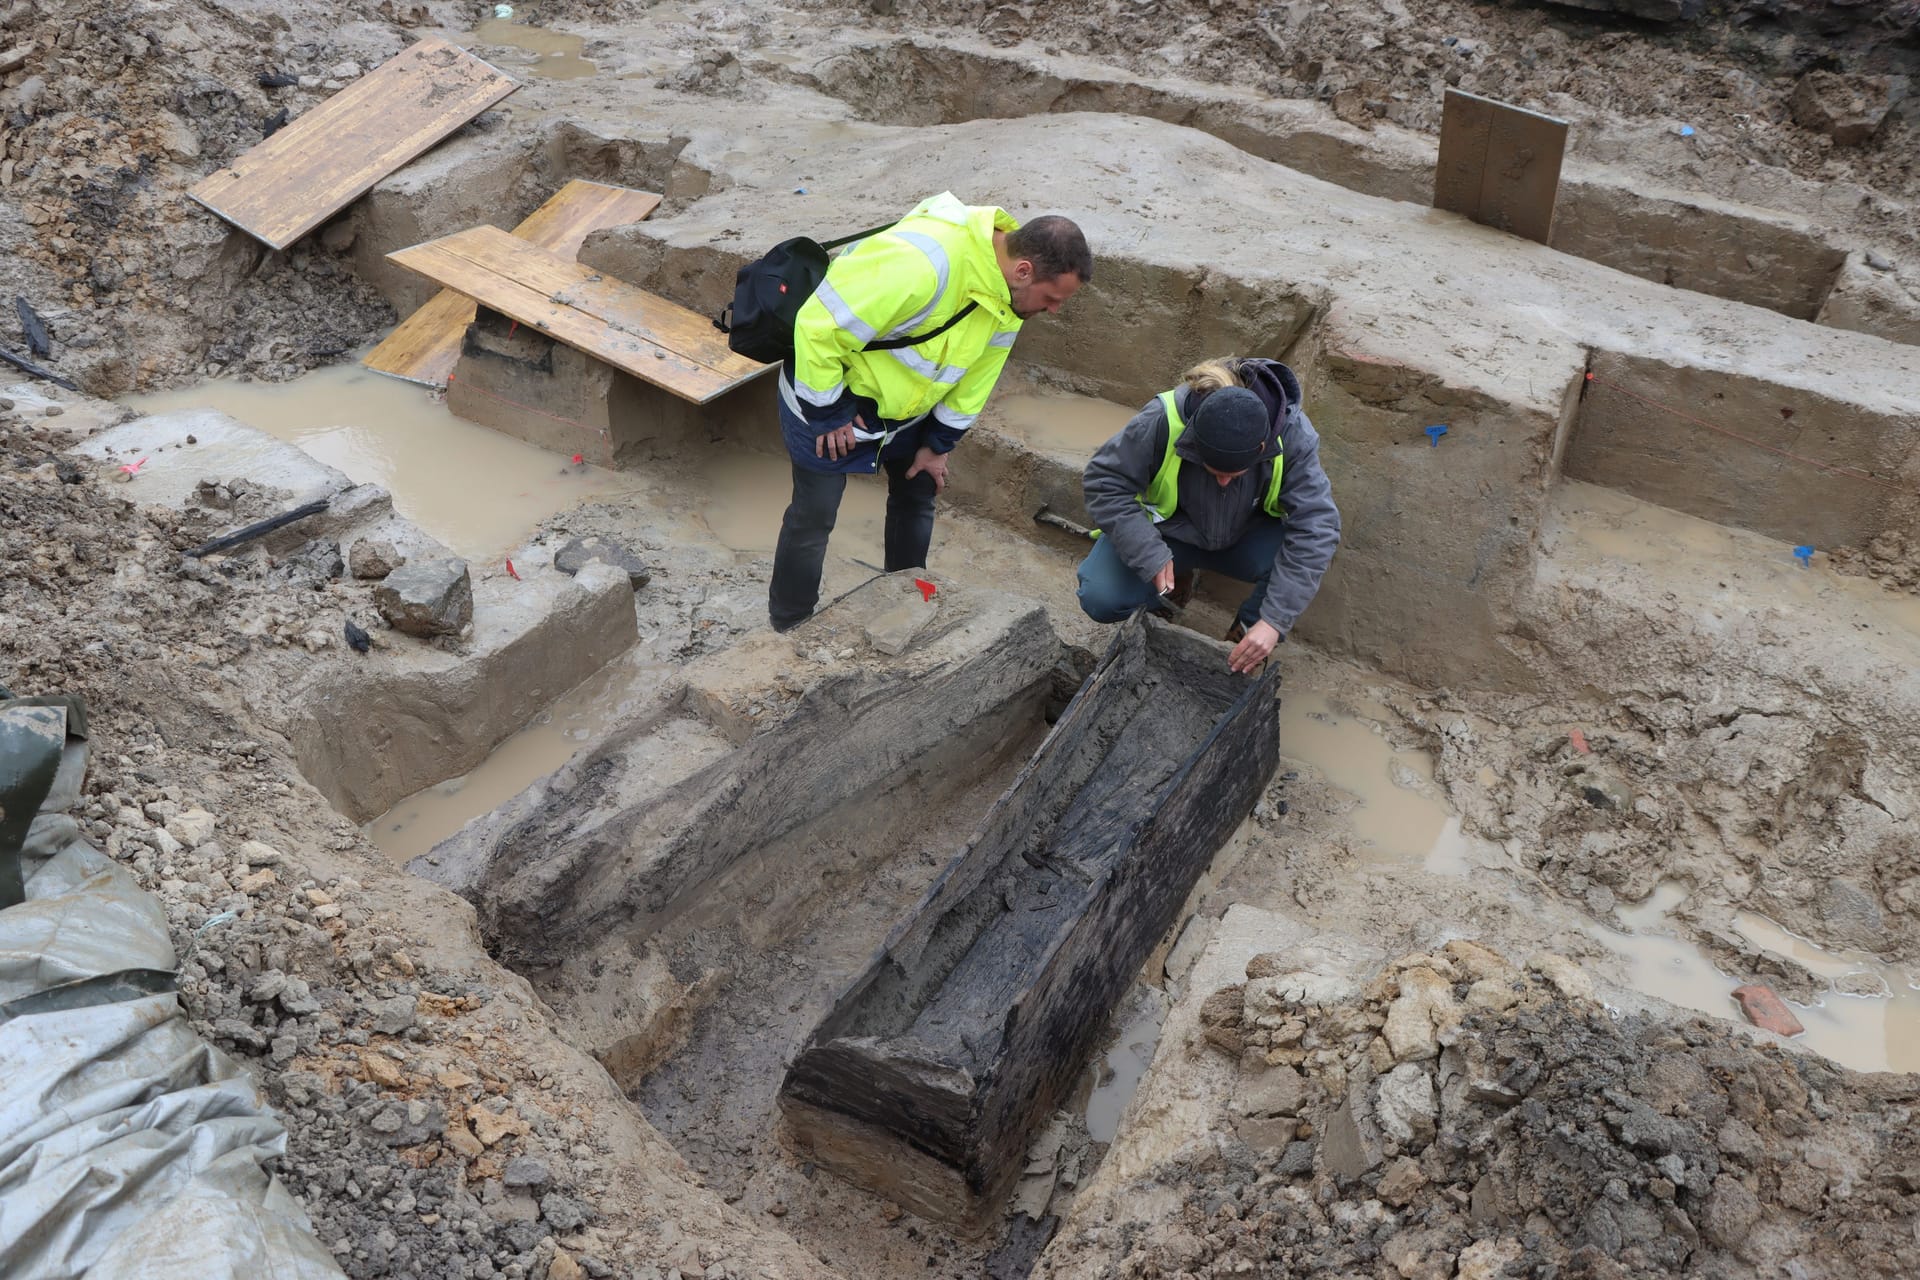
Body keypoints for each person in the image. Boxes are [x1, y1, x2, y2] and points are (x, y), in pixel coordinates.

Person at [769, 192, 1092, 632]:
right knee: (814, 516)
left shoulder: (1009, 299)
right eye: (1053, 298)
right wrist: (828, 412)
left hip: (909, 410)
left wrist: (938, 444)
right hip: (831, 398)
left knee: (918, 492)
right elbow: (818, 328)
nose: (1053, 310)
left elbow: (979, 373)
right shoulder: (922, 263)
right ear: (1024, 271)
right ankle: (790, 626)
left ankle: (905, 601)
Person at [1076, 356, 1341, 674]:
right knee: (1101, 597)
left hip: (1246, 537)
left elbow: (1318, 527)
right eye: (1212, 471)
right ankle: (1175, 583)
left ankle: (1243, 639)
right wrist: (1149, 554)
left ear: (1261, 447)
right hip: (1171, 533)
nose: (1223, 482)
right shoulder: (1165, 418)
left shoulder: (1293, 434)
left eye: (1235, 473)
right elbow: (1104, 482)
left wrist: (1272, 621)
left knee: (1307, 553)